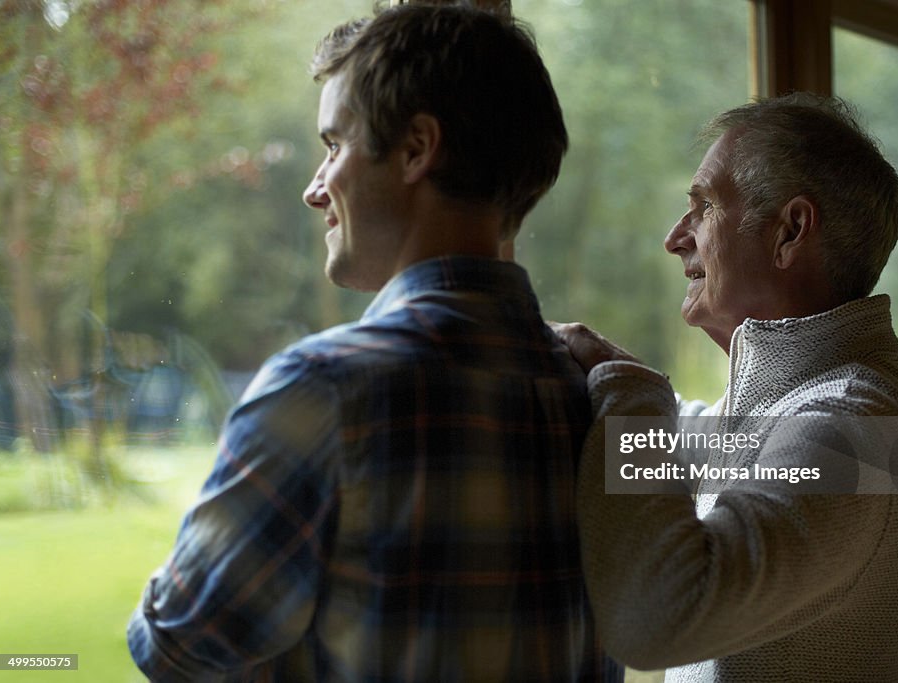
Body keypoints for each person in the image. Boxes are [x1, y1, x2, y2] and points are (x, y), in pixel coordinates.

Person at [127, 3, 621, 681]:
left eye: (334, 145)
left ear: (417, 147)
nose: (314, 187)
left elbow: (176, 647)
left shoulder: (323, 391)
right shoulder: (599, 396)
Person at [553, 93, 898, 681]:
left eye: (704, 205)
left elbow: (660, 619)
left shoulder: (852, 428)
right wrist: (599, 373)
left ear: (790, 230)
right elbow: (688, 439)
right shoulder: (800, 407)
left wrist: (630, 396)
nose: (674, 237)